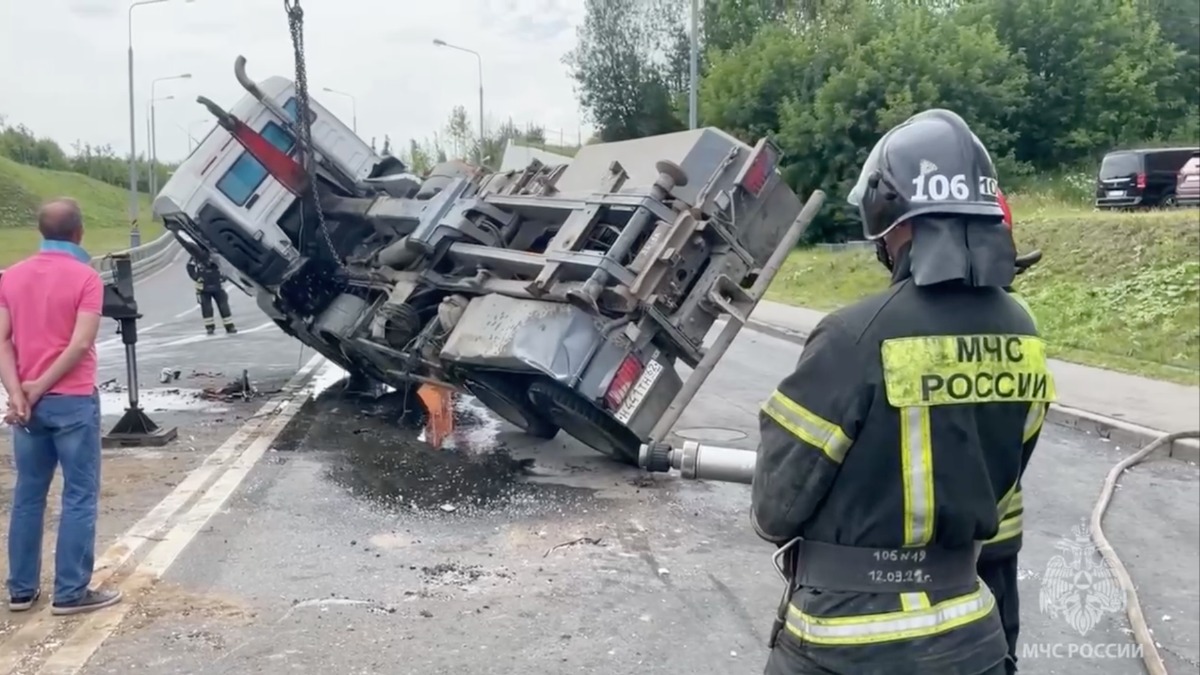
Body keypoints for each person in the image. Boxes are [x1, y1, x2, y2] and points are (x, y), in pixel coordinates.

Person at [751, 109, 1055, 675]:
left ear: (891, 217)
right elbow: (1006, 503)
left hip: (841, 646)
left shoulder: (852, 335)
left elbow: (776, 510)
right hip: (973, 640)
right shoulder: (1025, 333)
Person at [0, 198, 123, 615]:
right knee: (79, 496)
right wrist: (39, 386)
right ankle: (70, 592)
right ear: (79, 233)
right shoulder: (86, 278)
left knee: (28, 495)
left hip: (27, 409)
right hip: (72, 401)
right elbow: (81, 343)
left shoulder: (12, 276)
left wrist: (18, 392)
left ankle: (21, 591)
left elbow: (2, 340)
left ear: (41, 231)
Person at [186, 255, 236, 335]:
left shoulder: (216, 254)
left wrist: (224, 276)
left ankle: (229, 326)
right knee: (207, 308)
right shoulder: (197, 255)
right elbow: (190, 266)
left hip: (217, 285)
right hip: (203, 287)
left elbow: (227, 265)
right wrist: (196, 277)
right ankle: (210, 327)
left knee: (223, 306)